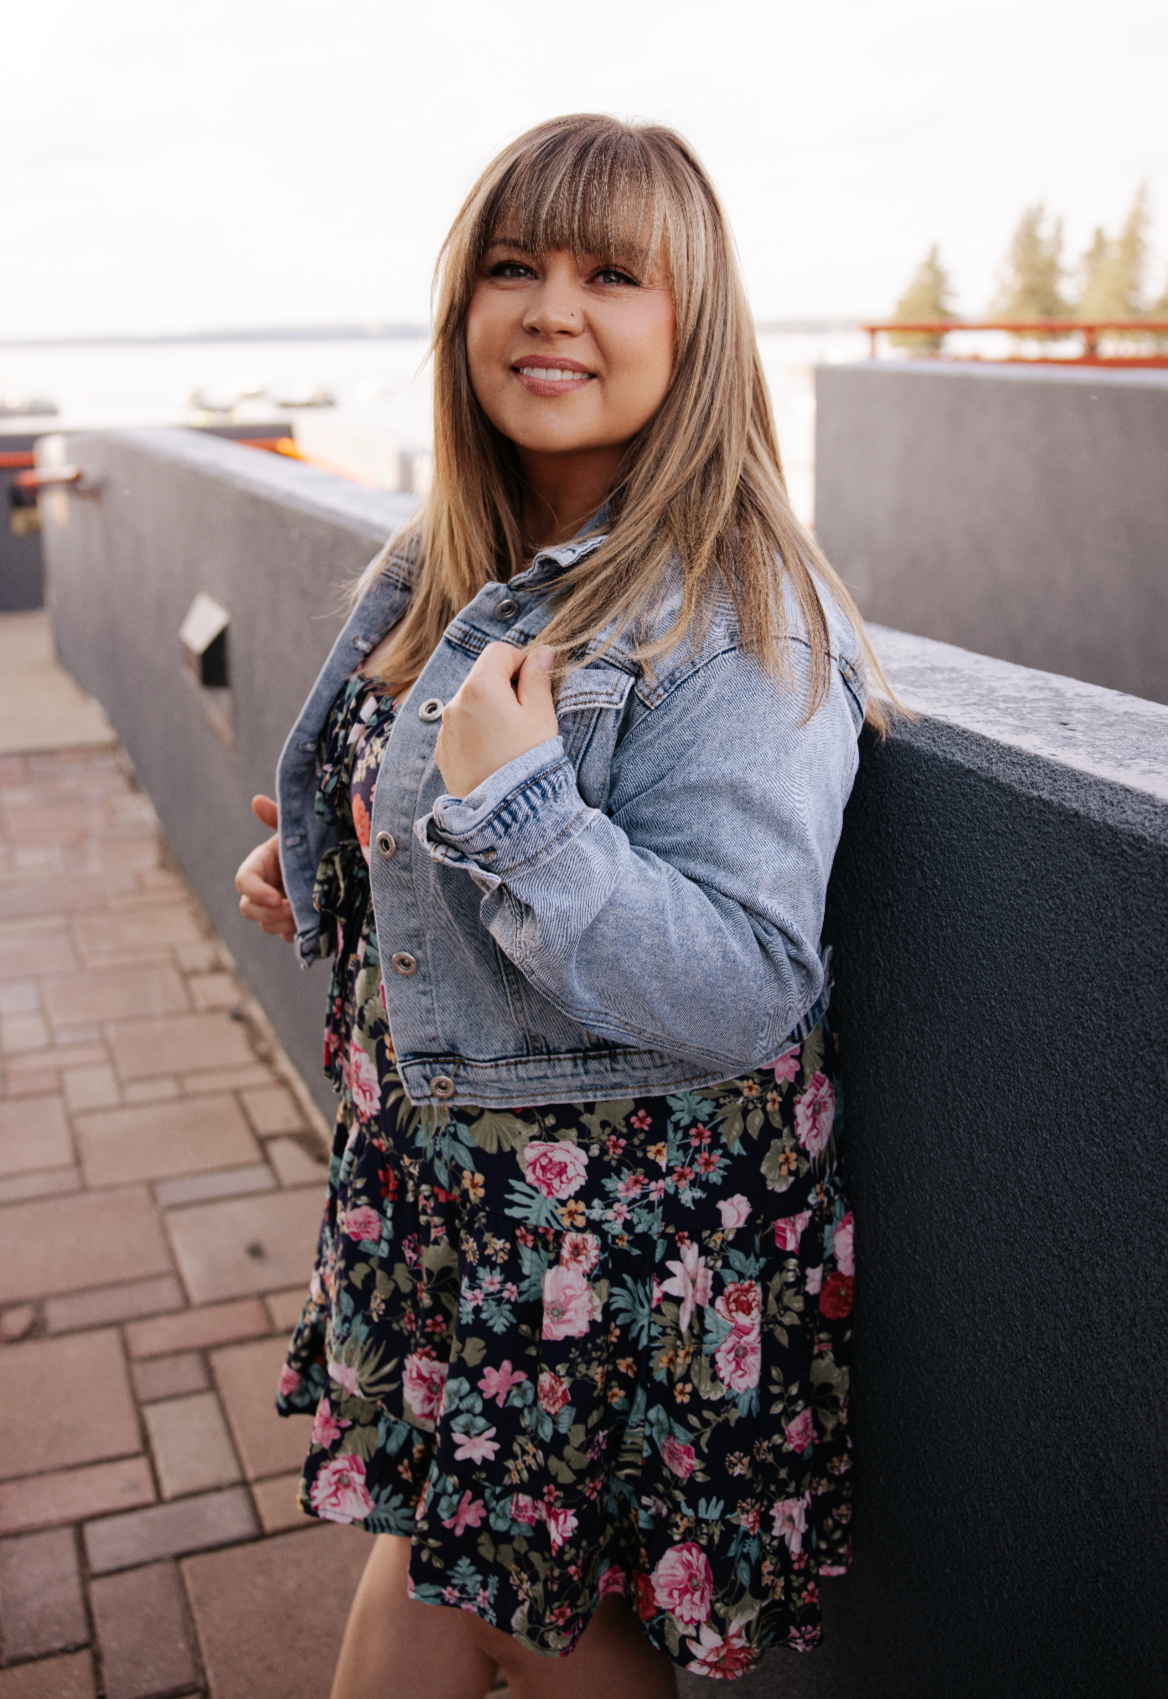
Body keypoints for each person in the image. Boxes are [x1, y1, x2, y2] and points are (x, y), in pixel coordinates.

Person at [235, 113, 887, 1699]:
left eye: (612, 272)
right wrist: (335, 855)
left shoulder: (743, 608)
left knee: (537, 1611)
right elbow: (432, 799)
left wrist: (523, 809)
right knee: (460, 1568)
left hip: (600, 1237)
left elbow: (744, 979)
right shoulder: (446, 554)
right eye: (513, 267)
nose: (552, 309)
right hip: (452, 1194)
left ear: (694, 320)